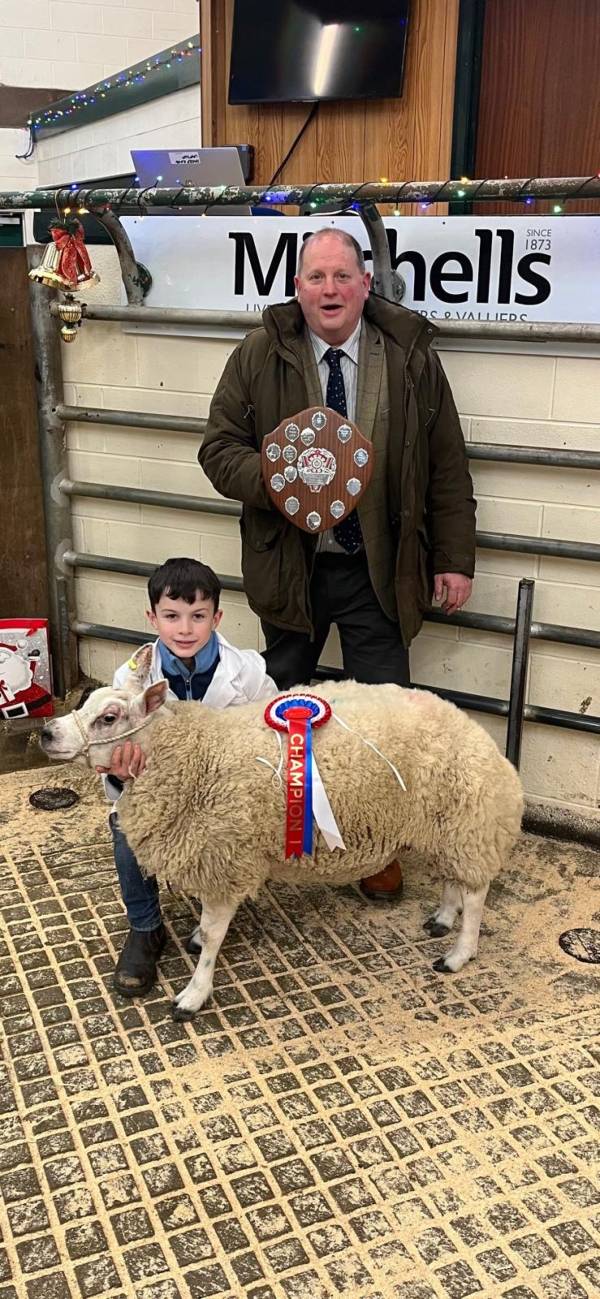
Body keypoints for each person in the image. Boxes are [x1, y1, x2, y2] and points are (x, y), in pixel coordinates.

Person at [198, 228, 476, 904]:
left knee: (387, 719)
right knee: (274, 707)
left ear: (364, 283)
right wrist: (277, 482)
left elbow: (446, 463)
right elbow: (217, 448)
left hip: (377, 569)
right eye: (316, 277)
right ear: (298, 287)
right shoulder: (260, 352)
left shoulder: (408, 356)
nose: (329, 289)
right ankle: (265, 842)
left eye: (341, 276)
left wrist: (454, 558)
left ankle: (376, 850)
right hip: (291, 570)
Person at [96, 557, 277, 997]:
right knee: (126, 828)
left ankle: (216, 909)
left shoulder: (247, 671)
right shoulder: (132, 679)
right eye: (172, 616)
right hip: (160, 793)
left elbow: (272, 723)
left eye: (198, 617)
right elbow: (114, 750)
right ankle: (145, 927)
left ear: (216, 617)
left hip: (223, 792)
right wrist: (120, 771)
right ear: (152, 617)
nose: (185, 629)